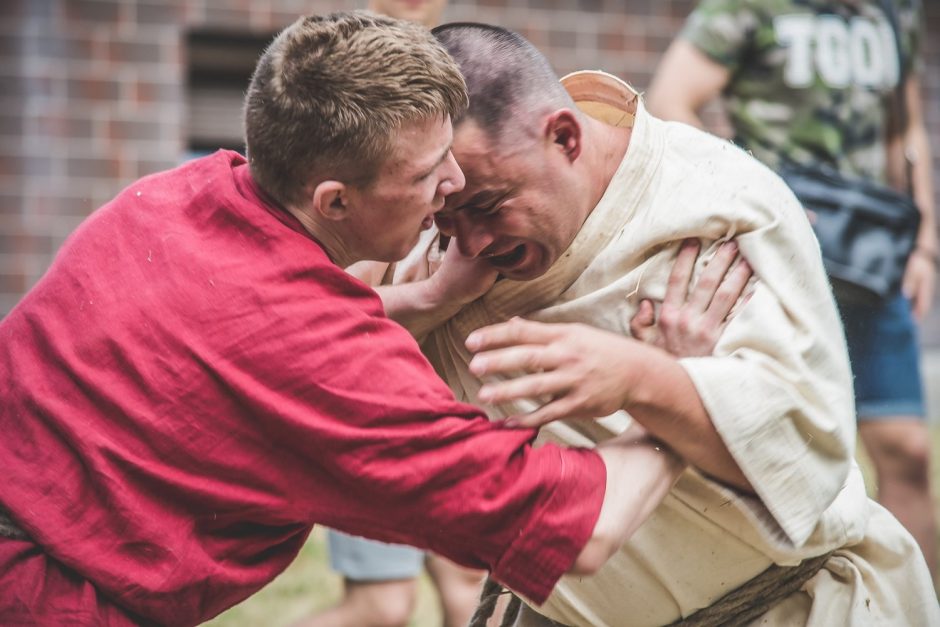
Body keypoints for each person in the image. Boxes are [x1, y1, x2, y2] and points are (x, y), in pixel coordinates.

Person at [0, 12, 697, 625]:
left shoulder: (175, 196)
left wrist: (425, 300)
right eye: (427, 173)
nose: (455, 184)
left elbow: (247, 326)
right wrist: (676, 388)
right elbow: (582, 529)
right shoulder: (331, 365)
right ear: (334, 201)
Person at [372, 22, 938, 625]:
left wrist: (648, 382)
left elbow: (802, 456)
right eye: (446, 218)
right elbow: (338, 368)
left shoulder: (714, 208)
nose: (474, 242)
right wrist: (432, 300)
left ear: (564, 137)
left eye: (488, 206)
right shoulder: (440, 265)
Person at [646, 0, 937, 578]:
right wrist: (757, 195)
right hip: (781, 260)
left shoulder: (895, 10)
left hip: (876, 260)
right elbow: (669, 100)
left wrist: (924, 236)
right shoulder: (746, 7)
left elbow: (904, 127)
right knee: (785, 459)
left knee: (908, 451)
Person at [298, 2, 488, 626]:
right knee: (383, 606)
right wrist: (434, 297)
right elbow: (330, 317)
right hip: (364, 408)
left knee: (470, 589)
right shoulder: (347, 107)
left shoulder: (441, 92)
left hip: (429, 401)